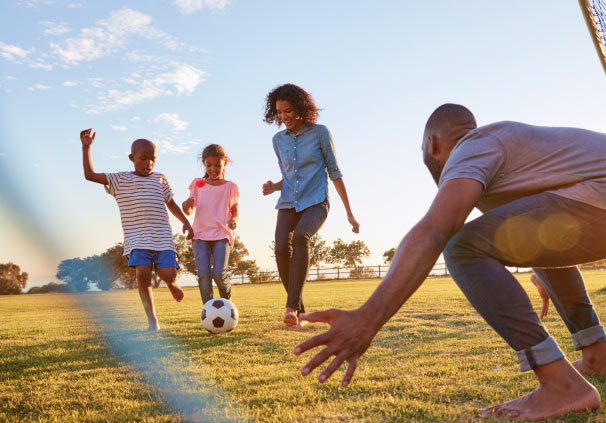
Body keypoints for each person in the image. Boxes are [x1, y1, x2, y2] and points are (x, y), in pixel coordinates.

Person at [293, 104, 606, 420]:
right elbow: (546, 232)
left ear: (431, 144)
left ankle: (563, 387)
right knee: (520, 235)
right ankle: (597, 356)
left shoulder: (473, 146)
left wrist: (368, 317)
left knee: (461, 246)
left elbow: (434, 230)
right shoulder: (506, 155)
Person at [262, 83, 360, 330]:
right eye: (279, 112)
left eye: (288, 111)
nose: (283, 117)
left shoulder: (320, 133)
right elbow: (291, 176)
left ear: (301, 109)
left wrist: (349, 212)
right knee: (281, 247)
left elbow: (334, 172)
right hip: (287, 202)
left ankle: (291, 307)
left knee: (301, 238)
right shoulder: (278, 140)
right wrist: (274, 186)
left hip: (316, 201)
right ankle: (299, 311)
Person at [80, 128, 194, 332]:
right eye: (143, 158)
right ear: (132, 158)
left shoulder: (160, 178)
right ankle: (152, 320)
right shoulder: (120, 180)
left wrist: (185, 222)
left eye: (153, 159)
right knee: (142, 274)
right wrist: (86, 148)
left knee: (168, 273)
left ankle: (172, 283)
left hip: (163, 238)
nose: (148, 163)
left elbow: (172, 203)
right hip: (137, 239)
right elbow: (89, 175)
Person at [182, 144, 238, 304]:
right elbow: (189, 211)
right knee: (204, 274)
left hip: (222, 234)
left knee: (219, 274)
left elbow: (235, 210)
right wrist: (186, 205)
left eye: (217, 165)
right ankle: (209, 308)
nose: (213, 169)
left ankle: (228, 307)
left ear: (224, 163)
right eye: (209, 165)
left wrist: (234, 220)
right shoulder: (198, 184)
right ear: (204, 164)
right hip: (200, 235)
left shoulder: (230, 187)